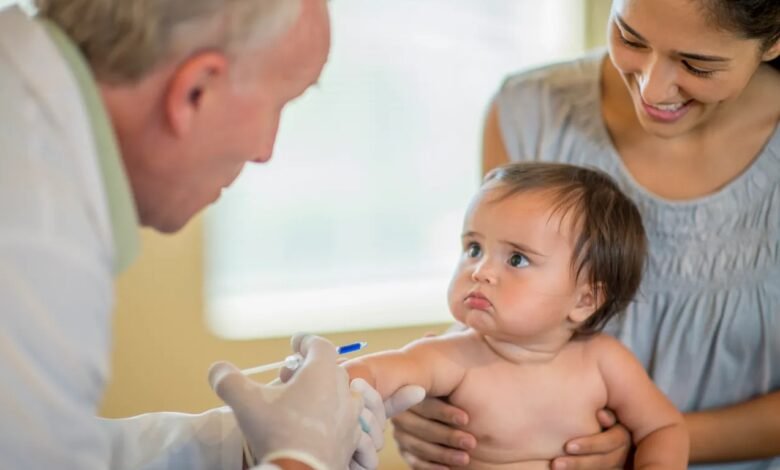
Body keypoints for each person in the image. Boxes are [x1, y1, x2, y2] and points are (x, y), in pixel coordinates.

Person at [0, 1, 423, 469]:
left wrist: (246, 445)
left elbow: (55, 452)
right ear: (196, 90)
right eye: (279, 103)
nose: (266, 151)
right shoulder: (31, 230)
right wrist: (303, 458)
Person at [391, 0, 780, 468]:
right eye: (630, 38)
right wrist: (434, 403)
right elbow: (500, 311)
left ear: (773, 42)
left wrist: (648, 437)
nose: (653, 90)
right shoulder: (529, 112)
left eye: (696, 64)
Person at [344, 162, 689, 469]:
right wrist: (332, 378)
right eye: (474, 248)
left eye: (516, 259)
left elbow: (663, 428)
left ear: (585, 300)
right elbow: (383, 370)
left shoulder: (604, 362)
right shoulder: (454, 356)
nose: (480, 271)